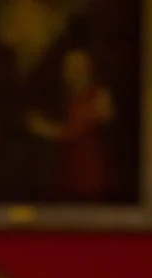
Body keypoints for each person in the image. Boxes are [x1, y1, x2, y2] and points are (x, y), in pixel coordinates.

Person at [25, 48, 114, 201]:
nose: (71, 73)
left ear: (88, 70)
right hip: (66, 170)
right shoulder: (65, 96)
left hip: (89, 173)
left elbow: (75, 131)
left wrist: (43, 128)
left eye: (77, 68)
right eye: (68, 68)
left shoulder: (99, 96)